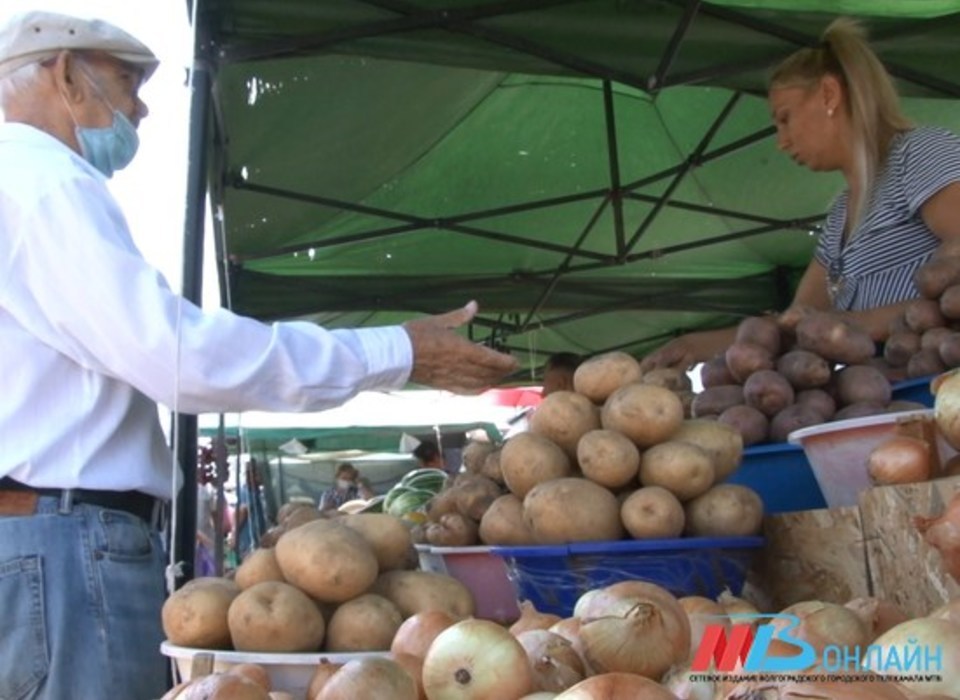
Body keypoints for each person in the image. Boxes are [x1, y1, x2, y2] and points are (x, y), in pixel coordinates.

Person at [0, 10, 517, 700]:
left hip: (40, 542)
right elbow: (178, 357)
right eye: (127, 83)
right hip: (63, 548)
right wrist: (395, 350)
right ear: (66, 74)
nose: (141, 108)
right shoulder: (43, 179)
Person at [640, 16, 960, 373]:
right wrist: (695, 345)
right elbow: (792, 327)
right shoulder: (841, 215)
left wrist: (850, 326)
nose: (781, 142)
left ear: (829, 94)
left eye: (785, 118)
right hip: (885, 400)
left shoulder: (919, 154)